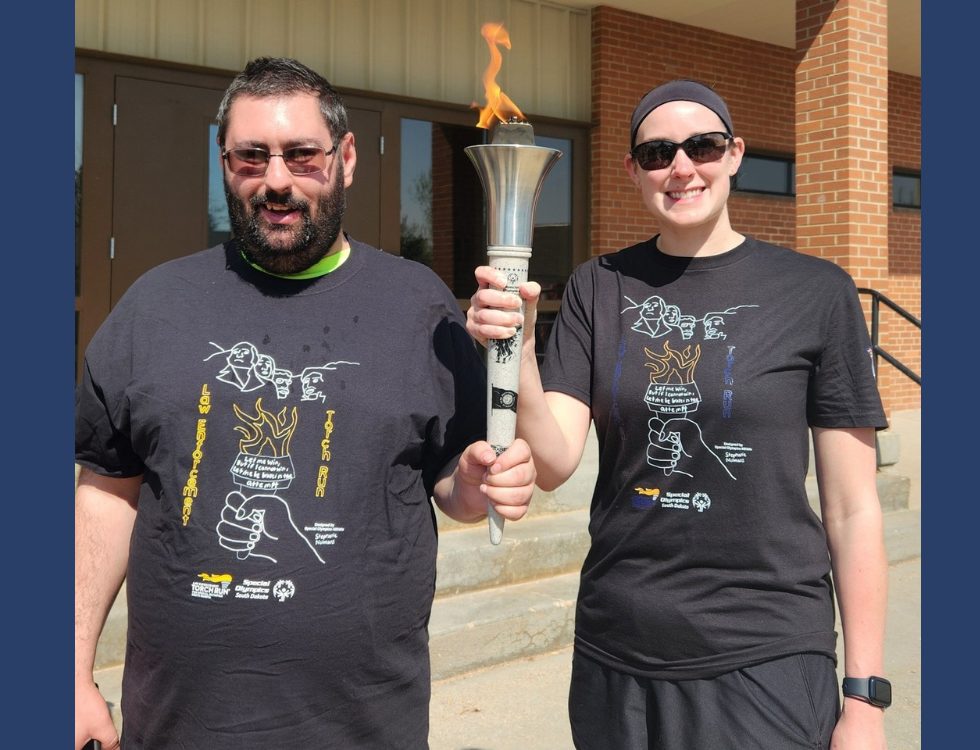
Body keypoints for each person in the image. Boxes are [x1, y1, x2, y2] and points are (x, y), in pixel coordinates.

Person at [74, 56, 536, 750]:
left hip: (364, 727)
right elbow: (107, 492)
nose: (277, 181)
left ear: (346, 158)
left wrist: (476, 482)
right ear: (223, 160)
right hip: (178, 727)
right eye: (252, 157)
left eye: (301, 155)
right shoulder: (155, 306)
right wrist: (69, 667)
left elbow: (453, 479)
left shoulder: (418, 307)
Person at [467, 79, 890, 749]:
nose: (682, 167)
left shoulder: (816, 293)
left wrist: (865, 698)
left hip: (766, 652)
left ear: (735, 154)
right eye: (660, 152)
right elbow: (553, 464)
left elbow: (853, 508)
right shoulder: (597, 287)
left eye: (703, 146)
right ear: (634, 171)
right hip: (619, 648)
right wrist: (517, 352)